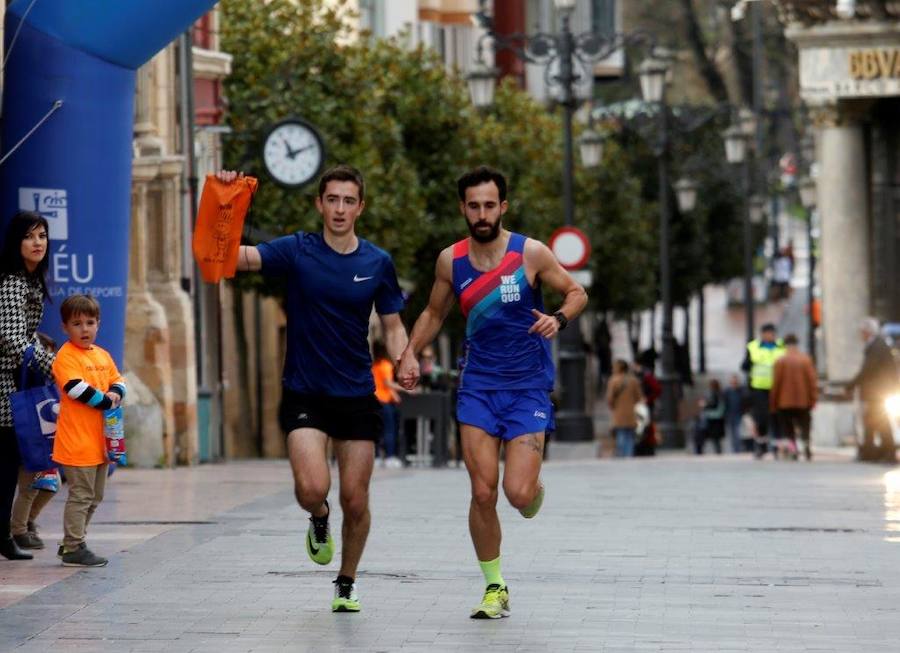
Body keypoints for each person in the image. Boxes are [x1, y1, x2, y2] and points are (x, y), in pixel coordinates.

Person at [396, 166, 587, 619]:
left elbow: (577, 291)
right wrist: (408, 352)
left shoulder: (530, 254)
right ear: (463, 208)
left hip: (527, 389)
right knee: (483, 493)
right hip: (478, 387)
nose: (481, 214)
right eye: (473, 206)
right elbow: (434, 313)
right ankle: (494, 586)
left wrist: (557, 319)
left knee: (516, 494)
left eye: (489, 205)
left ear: (503, 206)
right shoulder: (451, 261)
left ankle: (533, 487)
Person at [215, 166, 408, 612]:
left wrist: (404, 357)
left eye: (348, 201)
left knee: (356, 499)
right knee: (311, 487)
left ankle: (346, 580)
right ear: (319, 204)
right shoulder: (297, 250)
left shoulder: (377, 262)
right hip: (305, 390)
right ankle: (318, 518)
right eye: (332, 199)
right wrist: (225, 202)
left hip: (357, 393)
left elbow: (394, 326)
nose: (339, 209)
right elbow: (227, 258)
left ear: (360, 207)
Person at [52, 294, 126, 567]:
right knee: (81, 496)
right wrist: (107, 400)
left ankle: (72, 541)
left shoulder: (102, 355)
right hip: (77, 442)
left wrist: (117, 391)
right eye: (77, 323)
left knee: (95, 496)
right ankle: (73, 547)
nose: (84, 329)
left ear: (98, 324)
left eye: (90, 322)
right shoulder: (65, 356)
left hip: (99, 443)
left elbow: (118, 380)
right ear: (65, 328)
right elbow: (75, 388)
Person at [0, 211, 55, 561]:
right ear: (16, 242)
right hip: (4, 385)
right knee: (6, 465)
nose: (37, 243)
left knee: (11, 464)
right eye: (30, 236)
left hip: (16, 384)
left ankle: (7, 534)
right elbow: (9, 337)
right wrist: (55, 364)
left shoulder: (31, 280)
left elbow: (23, 333)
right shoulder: (13, 282)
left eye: (42, 236)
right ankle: (5, 536)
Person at [10, 332, 58, 550]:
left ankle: (27, 520)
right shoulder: (25, 373)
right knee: (29, 488)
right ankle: (19, 530)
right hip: (28, 435)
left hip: (43, 438)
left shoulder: (46, 379)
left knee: (50, 485)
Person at [846, 317, 899, 463]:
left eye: (862, 332)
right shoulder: (876, 344)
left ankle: (885, 452)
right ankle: (873, 451)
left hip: (877, 392)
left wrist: (850, 385)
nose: (860, 336)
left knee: (879, 422)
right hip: (876, 392)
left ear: (867, 332)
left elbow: (868, 369)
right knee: (872, 421)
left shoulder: (877, 346)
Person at [770, 333, 817, 461]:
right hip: (803, 401)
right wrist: (813, 399)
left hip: (784, 402)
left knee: (788, 428)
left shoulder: (780, 361)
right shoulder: (805, 360)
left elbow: (776, 384)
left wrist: (773, 403)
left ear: (785, 345)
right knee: (805, 426)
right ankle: (807, 447)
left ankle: (793, 450)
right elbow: (812, 381)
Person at [741, 323, 786, 459]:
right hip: (759, 388)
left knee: (777, 417)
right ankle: (761, 447)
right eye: (767, 333)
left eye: (771, 333)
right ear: (762, 334)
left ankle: (777, 448)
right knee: (761, 418)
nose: (769, 336)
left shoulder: (782, 347)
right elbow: (745, 366)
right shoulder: (753, 347)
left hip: (777, 388)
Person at [371, 340, 402, 468]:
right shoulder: (386, 365)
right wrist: (402, 391)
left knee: (377, 430)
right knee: (390, 429)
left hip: (374, 400)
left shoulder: (374, 365)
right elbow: (388, 384)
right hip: (385, 401)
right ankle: (390, 456)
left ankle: (377, 456)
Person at [607, 359, 644, 458]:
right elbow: (640, 397)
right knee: (630, 435)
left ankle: (622, 456)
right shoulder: (633, 380)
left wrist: (612, 406)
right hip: (631, 413)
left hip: (619, 412)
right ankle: (629, 456)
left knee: (621, 435)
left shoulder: (613, 380)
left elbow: (610, 399)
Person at [695, 379, 726, 455]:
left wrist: (705, 405)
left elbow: (714, 406)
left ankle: (700, 452)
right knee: (715, 439)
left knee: (708, 437)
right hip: (715, 420)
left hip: (712, 420)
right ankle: (717, 452)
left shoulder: (716, 394)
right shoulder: (718, 394)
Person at [723, 374, 747, 453]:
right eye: (732, 382)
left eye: (735, 382)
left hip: (739, 414)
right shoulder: (727, 391)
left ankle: (739, 448)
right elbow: (724, 403)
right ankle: (736, 448)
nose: (734, 384)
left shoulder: (742, 391)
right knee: (733, 432)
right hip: (730, 414)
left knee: (738, 432)